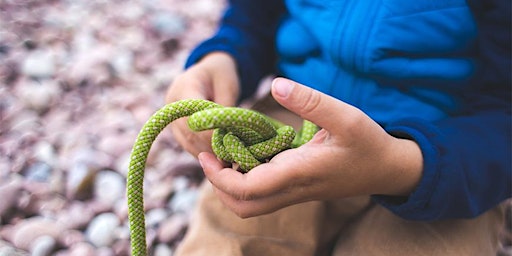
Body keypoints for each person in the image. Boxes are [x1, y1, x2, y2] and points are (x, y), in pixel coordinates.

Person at [165, 0, 511, 255]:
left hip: (447, 161)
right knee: (228, 240)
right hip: (291, 125)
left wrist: (405, 165)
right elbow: (254, 17)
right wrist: (224, 58)